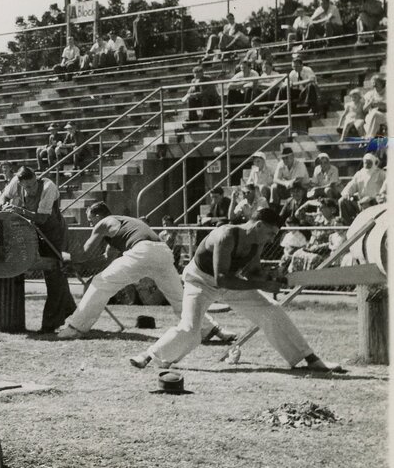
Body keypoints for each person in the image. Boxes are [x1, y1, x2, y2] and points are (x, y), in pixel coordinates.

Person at [129, 209, 343, 373]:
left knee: (271, 310)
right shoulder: (226, 235)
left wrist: (271, 278)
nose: (271, 239)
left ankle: (311, 360)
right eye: (270, 233)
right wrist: (262, 285)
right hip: (199, 282)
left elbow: (252, 272)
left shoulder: (256, 242)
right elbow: (222, 278)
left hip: (230, 283)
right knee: (190, 330)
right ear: (258, 225)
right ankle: (149, 355)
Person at [55, 202, 233, 341]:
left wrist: (68, 257)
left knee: (100, 283)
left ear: (98, 215)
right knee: (179, 297)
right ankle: (212, 329)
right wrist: (79, 265)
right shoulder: (124, 224)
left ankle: (75, 327)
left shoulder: (103, 223)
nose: (90, 223)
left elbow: (86, 252)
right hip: (162, 252)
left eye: (90, 219)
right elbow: (107, 260)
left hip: (142, 251)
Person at [5, 166, 77, 333]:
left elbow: (43, 218)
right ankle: (70, 311)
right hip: (35, 230)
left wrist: (19, 211)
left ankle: (50, 323)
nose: (30, 190)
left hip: (53, 232)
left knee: (54, 275)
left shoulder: (48, 187)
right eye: (26, 187)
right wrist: (3, 203)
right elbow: (5, 195)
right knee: (56, 277)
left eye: (32, 186)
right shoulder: (16, 183)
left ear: (36, 179)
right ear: (21, 183)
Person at [339, 153, 386, 222]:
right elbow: (351, 185)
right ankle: (347, 224)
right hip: (361, 202)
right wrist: (347, 193)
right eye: (365, 162)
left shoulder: (380, 173)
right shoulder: (359, 174)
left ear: (373, 162)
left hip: (375, 202)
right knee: (342, 201)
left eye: (369, 162)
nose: (367, 165)